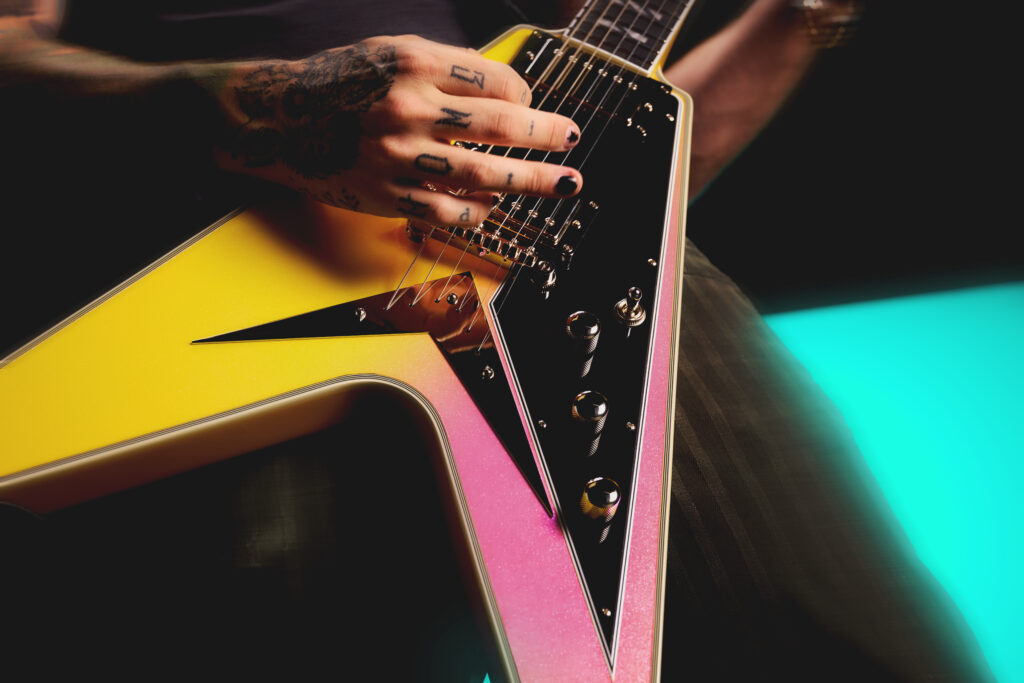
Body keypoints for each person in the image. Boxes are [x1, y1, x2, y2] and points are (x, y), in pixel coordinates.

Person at [0, 0, 994, 680]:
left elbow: (598, 167)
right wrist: (258, 105)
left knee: (847, 647)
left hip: (540, 275)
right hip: (211, 255)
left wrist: (797, 17)